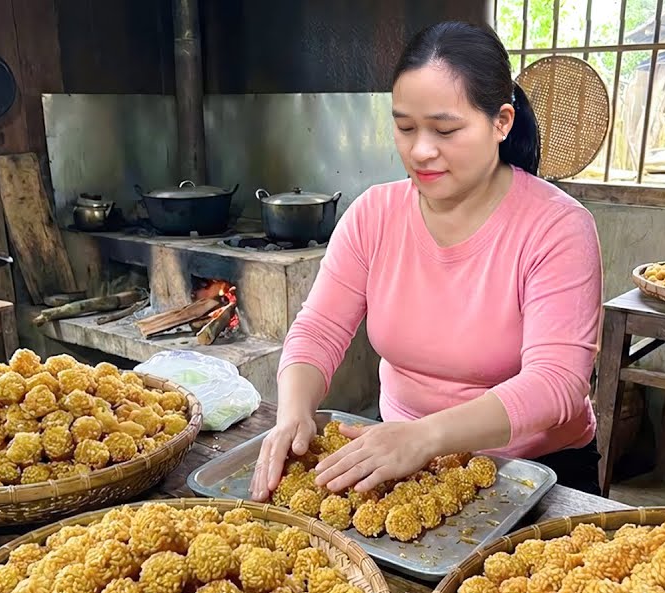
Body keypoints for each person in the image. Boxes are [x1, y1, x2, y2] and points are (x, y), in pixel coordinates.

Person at [250, 20, 603, 500]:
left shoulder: (557, 227)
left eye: (445, 129)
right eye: (404, 127)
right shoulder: (374, 214)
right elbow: (318, 330)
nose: (420, 151)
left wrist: (425, 436)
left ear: (501, 122)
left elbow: (556, 384)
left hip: (535, 471)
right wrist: (293, 413)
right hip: (402, 466)